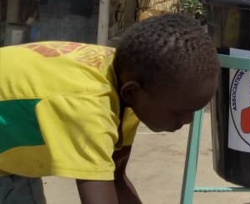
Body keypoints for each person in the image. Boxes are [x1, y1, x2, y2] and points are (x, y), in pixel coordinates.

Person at [0, 14, 219, 204]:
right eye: (178, 112)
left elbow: (115, 178)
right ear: (132, 93)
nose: (188, 120)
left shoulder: (127, 82)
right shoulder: (89, 106)